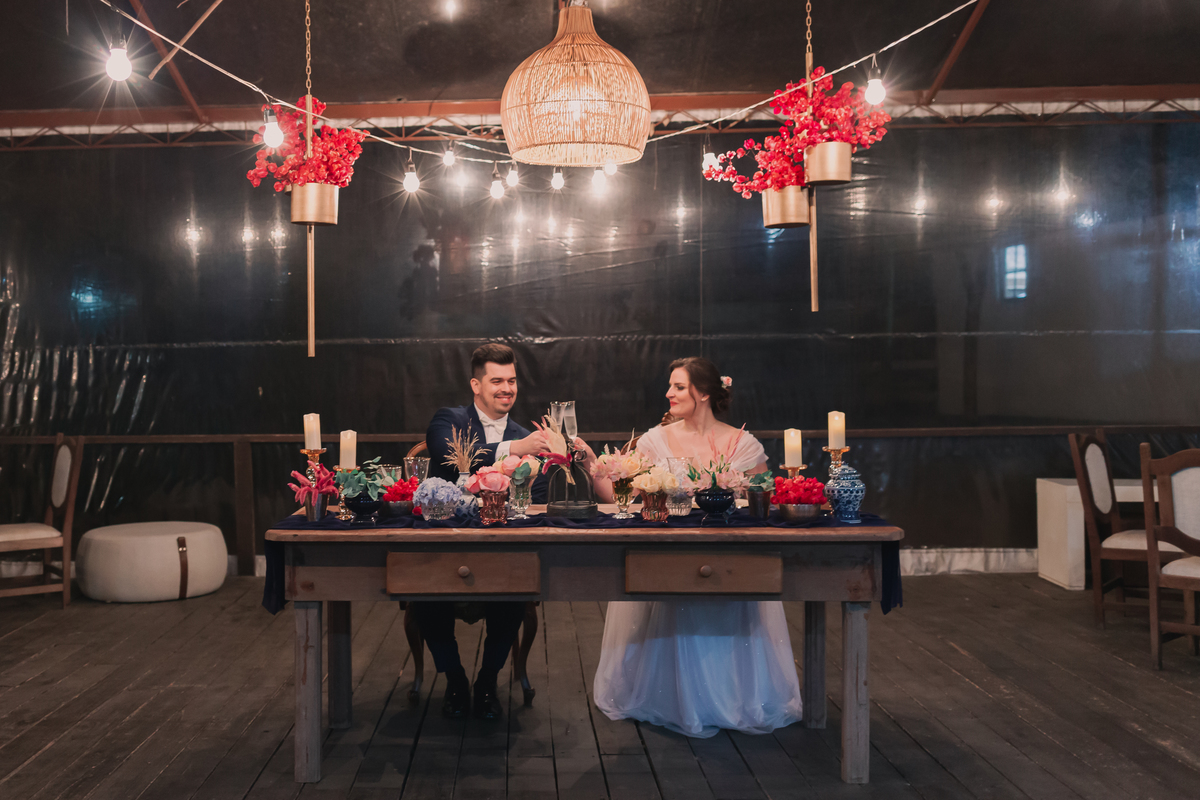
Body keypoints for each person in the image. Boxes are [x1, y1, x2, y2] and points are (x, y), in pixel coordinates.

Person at [592, 357, 804, 737]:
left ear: (703, 393)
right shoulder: (655, 441)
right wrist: (600, 472)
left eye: (678, 386)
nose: (669, 393)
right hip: (672, 550)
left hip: (728, 550)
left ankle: (733, 696)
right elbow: (623, 497)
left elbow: (761, 497)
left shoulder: (742, 443)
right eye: (670, 386)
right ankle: (671, 697)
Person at [418, 343, 592, 720]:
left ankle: (487, 682)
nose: (507, 388)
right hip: (445, 545)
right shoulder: (448, 419)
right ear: (475, 385)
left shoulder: (527, 433)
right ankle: (454, 679)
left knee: (515, 591)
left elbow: (540, 497)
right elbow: (449, 458)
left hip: (501, 544)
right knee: (423, 597)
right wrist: (516, 448)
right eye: (496, 380)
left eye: (511, 380)